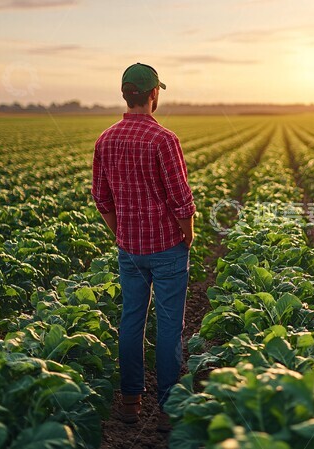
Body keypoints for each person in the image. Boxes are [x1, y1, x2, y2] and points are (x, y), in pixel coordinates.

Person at [91, 62, 195, 430]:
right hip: (167, 247)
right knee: (168, 326)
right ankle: (167, 408)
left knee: (132, 320)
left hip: (130, 250)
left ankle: (130, 402)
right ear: (153, 94)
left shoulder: (105, 139)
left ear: (125, 94)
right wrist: (188, 232)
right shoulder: (163, 139)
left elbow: (101, 197)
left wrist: (120, 231)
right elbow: (181, 198)